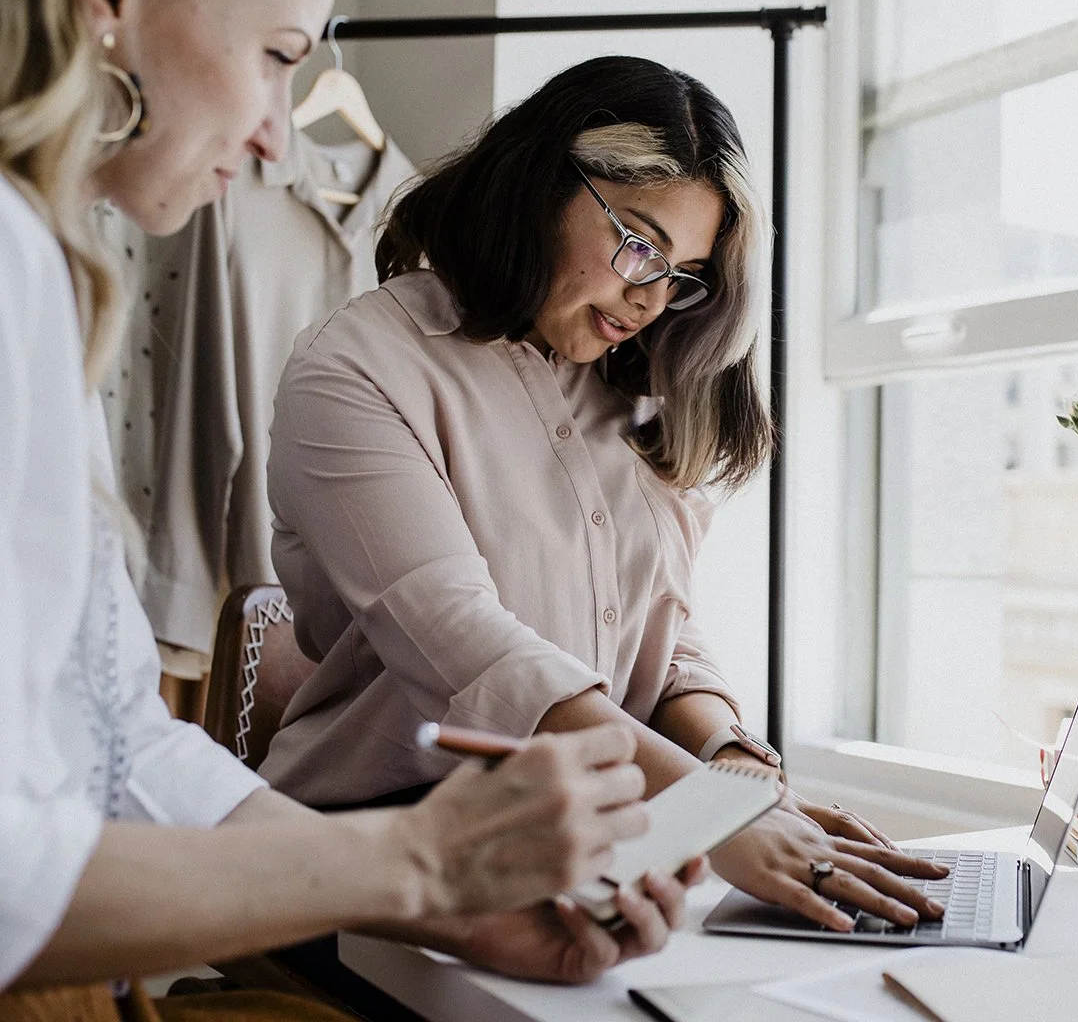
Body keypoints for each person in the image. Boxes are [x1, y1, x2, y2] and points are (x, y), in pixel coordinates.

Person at [0, 0, 697, 1014]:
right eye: (278, 55)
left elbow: (121, 747)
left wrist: (445, 903)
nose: (282, 130)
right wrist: (417, 863)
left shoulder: (42, 265)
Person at [260, 54, 952, 932]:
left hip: (588, 841)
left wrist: (733, 762)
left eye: (681, 272)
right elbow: (469, 648)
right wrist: (711, 810)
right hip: (372, 860)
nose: (650, 296)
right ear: (542, 181)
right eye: (638, 241)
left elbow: (660, 629)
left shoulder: (627, 388)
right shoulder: (356, 371)